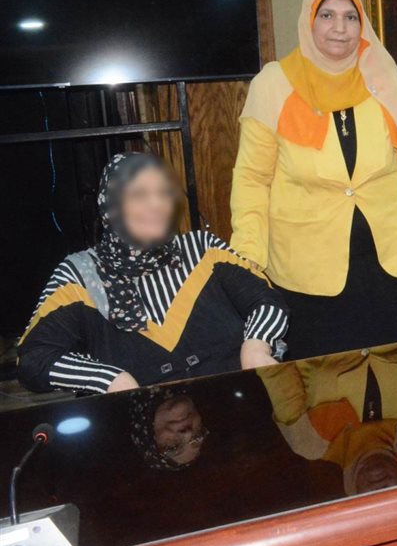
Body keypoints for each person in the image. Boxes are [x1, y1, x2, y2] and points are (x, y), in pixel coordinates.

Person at [231, 0, 397, 359]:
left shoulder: (382, 76)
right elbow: (252, 179)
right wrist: (248, 251)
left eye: (350, 17)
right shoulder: (273, 84)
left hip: (391, 260)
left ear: (362, 25)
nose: (340, 28)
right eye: (327, 15)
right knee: (324, 380)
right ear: (309, 21)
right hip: (308, 267)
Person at [19, 152, 285, 395]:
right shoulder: (79, 275)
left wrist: (256, 345)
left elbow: (265, 300)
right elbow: (34, 358)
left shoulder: (202, 248)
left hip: (230, 406)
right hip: (137, 419)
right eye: (139, 195)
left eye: (163, 193)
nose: (157, 204)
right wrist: (111, 379)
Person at [257, 337, 397, 495]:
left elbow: (273, 368)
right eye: (391, 496)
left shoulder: (309, 442)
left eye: (372, 500)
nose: (380, 488)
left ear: (354, 493)